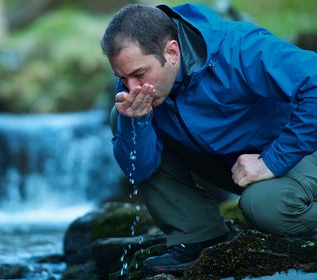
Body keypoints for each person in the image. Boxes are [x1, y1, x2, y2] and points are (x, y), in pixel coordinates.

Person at [100, 3, 317, 275]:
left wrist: (272, 161)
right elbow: (140, 169)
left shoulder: (240, 48)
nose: (132, 88)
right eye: (121, 77)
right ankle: (199, 234)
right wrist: (138, 121)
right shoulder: (137, 86)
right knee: (121, 116)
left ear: (172, 52)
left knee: (262, 206)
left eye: (140, 75)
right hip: (235, 165)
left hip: (300, 149)